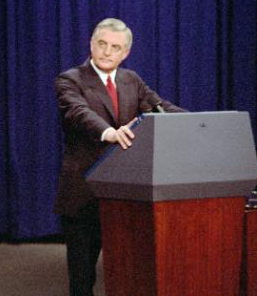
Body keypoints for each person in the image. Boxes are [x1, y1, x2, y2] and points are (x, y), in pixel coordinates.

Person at [55, 18, 184, 296]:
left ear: (125, 53)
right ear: (91, 44)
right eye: (101, 44)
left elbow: (159, 106)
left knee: (128, 270)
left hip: (126, 195)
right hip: (83, 193)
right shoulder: (71, 79)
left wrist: (197, 124)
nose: (107, 52)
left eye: (115, 47)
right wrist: (109, 133)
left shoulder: (131, 80)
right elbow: (78, 113)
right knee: (82, 279)